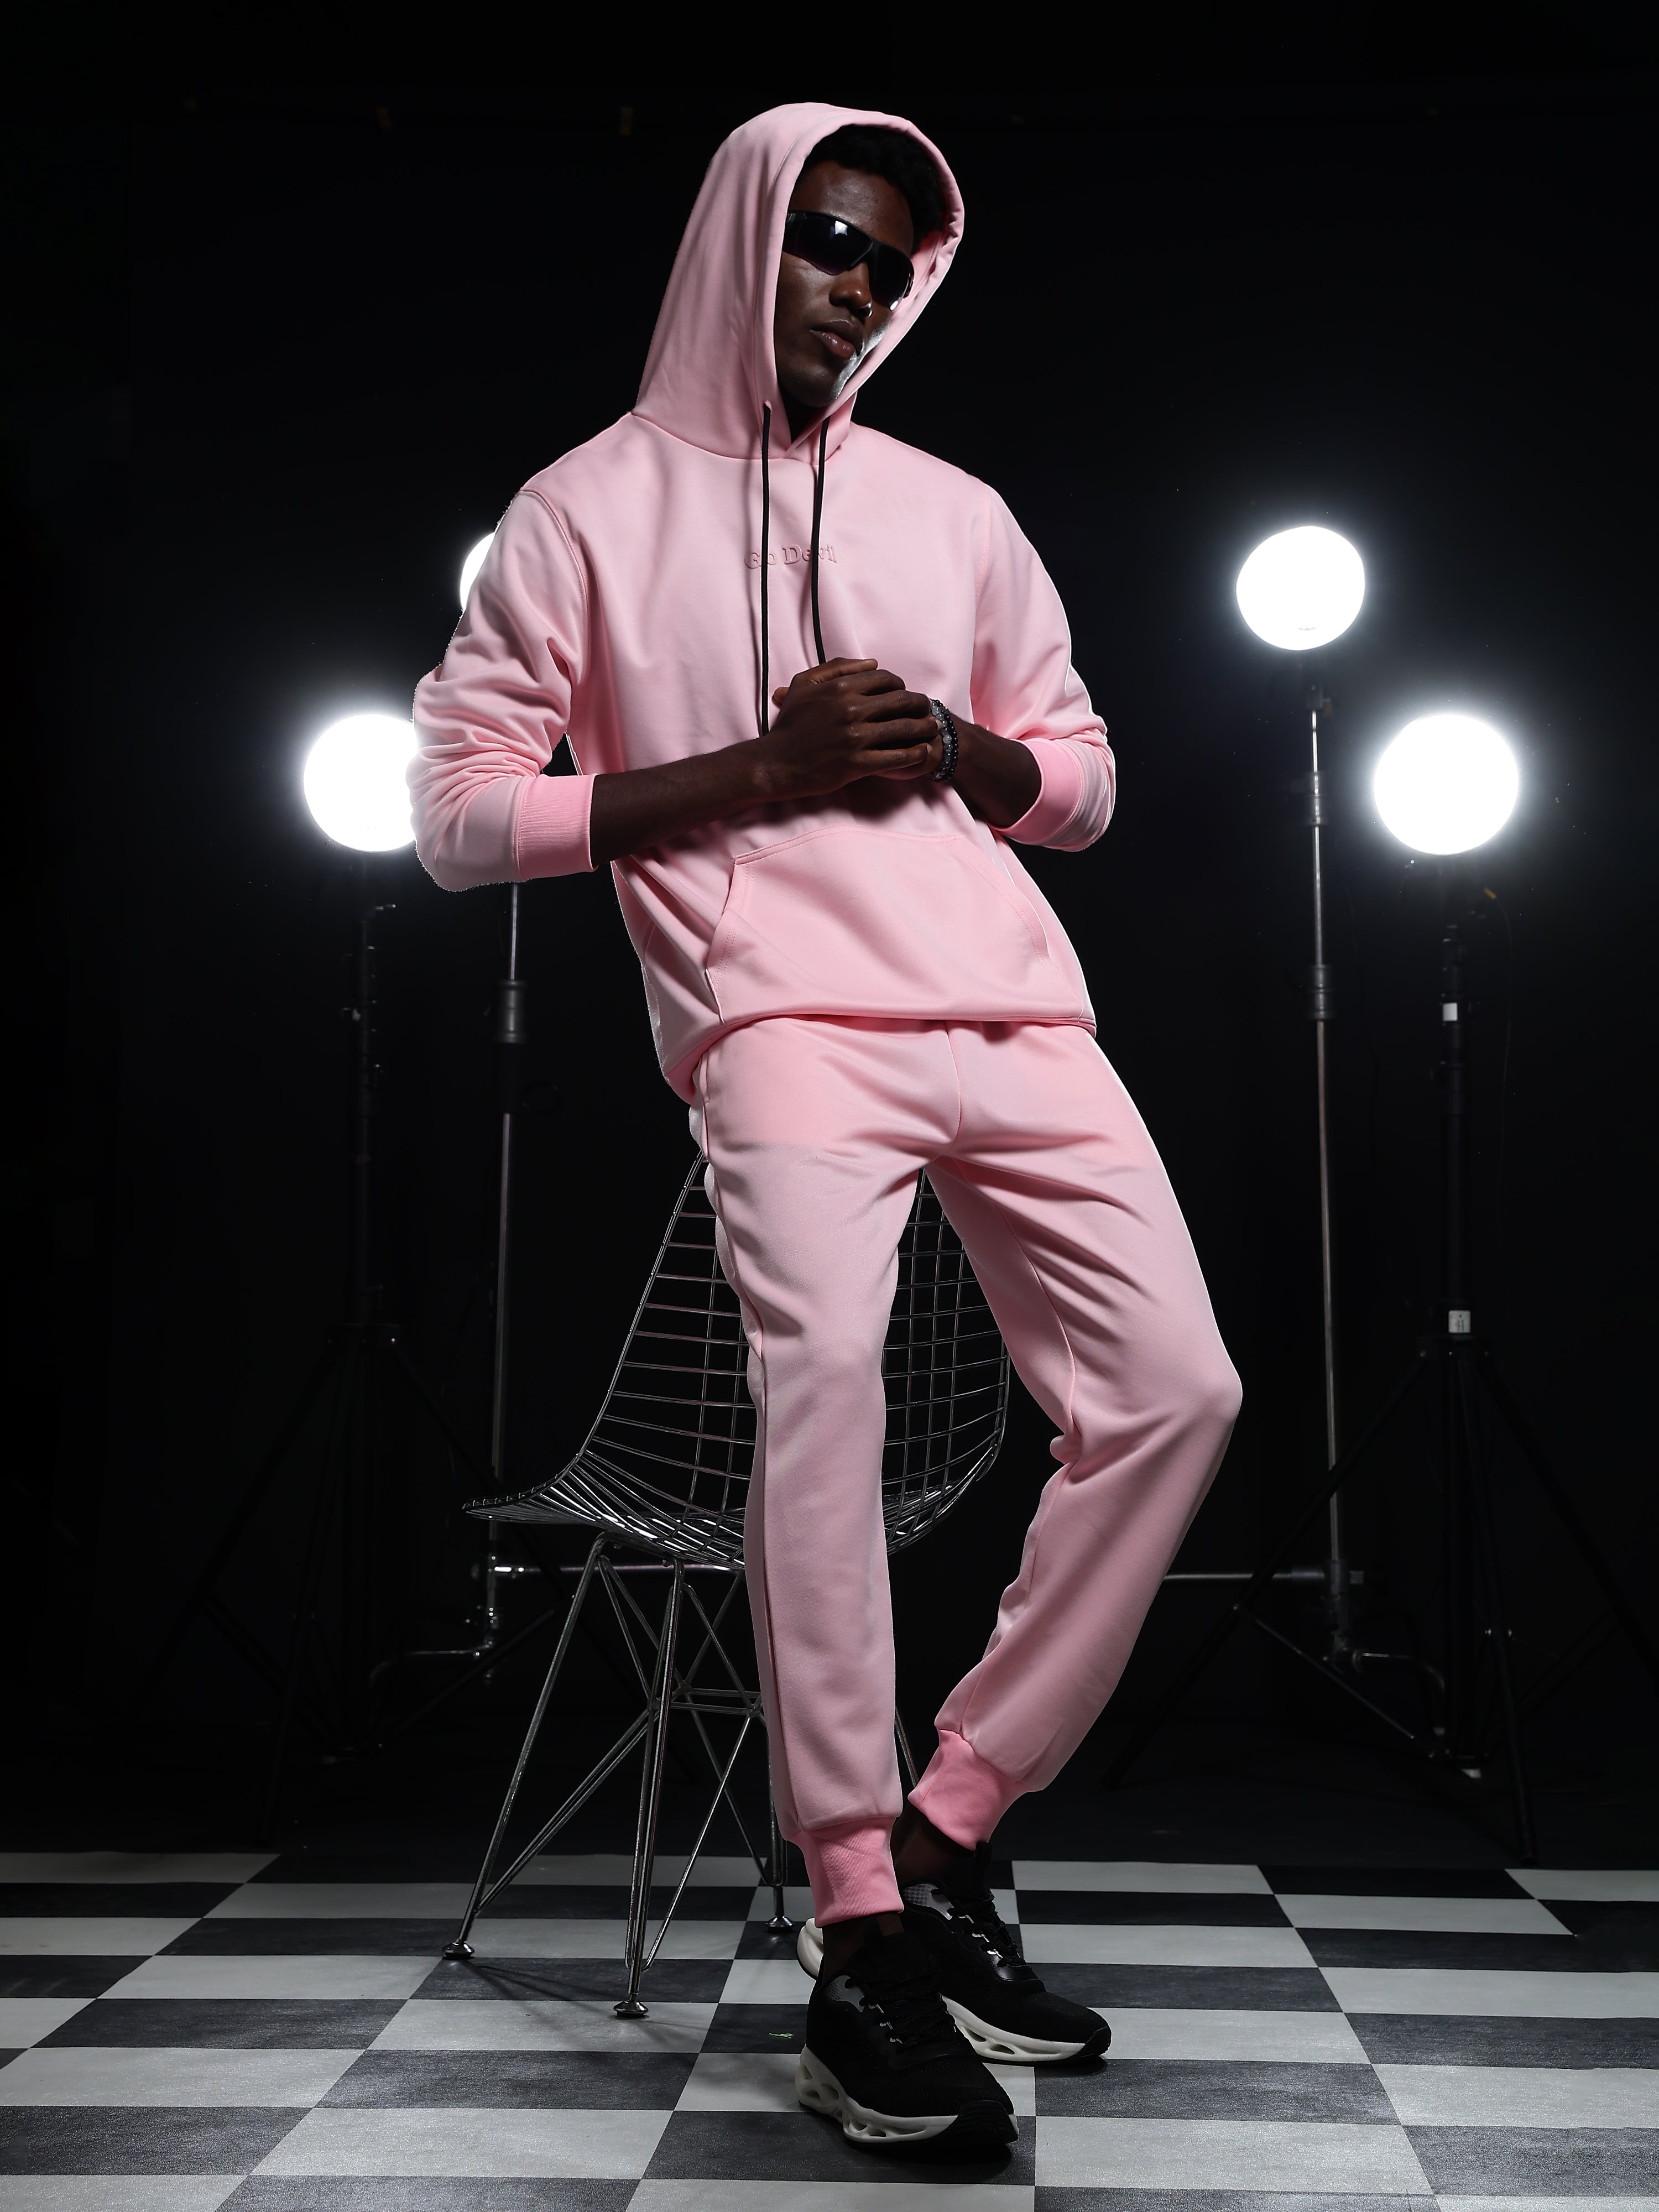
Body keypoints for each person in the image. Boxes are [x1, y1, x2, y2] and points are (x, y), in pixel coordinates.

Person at [411, 102, 1241, 2156]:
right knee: (826, 1402)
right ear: (742, 239)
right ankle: (858, 1925)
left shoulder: (955, 509)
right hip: (780, 1021)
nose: (857, 287)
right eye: (827, 242)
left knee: (1177, 1391)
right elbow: (457, 819)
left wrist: (963, 748)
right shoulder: (581, 509)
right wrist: (746, 777)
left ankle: (950, 1825)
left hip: (1015, 1006)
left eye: (891, 261)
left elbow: (1084, 777)